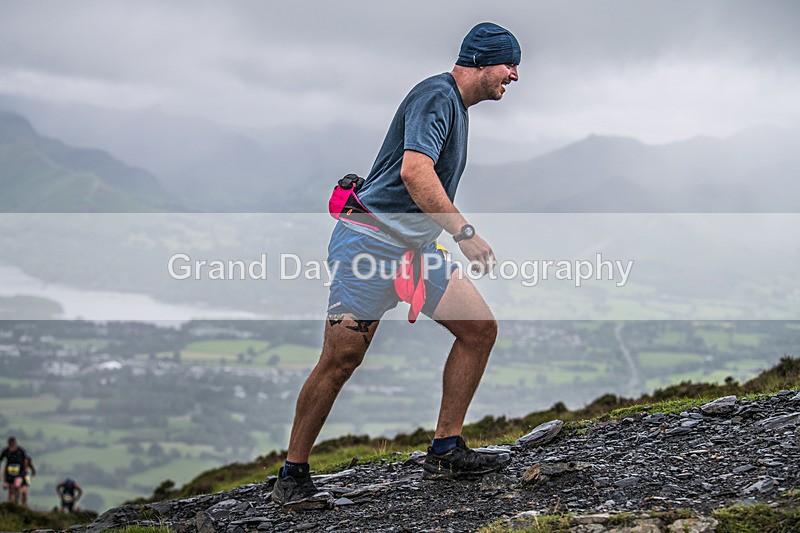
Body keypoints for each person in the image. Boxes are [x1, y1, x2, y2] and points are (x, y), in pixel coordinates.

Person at [272, 22, 521, 509]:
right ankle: (292, 474)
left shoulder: (455, 105)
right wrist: (464, 233)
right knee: (341, 359)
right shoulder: (437, 95)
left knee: (479, 329)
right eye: (509, 65)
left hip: (414, 250)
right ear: (482, 60)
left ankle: (446, 450)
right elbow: (414, 171)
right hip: (368, 248)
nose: (513, 76)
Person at [1, 436, 36, 506]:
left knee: (23, 490)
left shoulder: (21, 451)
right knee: (11, 490)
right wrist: (3, 479)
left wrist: (32, 470)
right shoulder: (6, 451)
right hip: (10, 473)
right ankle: (12, 505)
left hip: (22, 474)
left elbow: (28, 461)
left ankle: (23, 505)